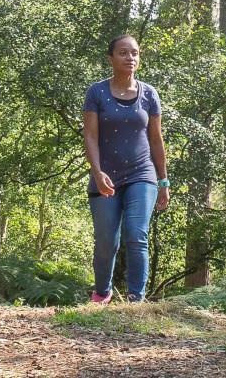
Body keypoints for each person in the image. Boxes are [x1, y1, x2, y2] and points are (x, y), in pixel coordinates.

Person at [81, 34, 170, 303]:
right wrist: (97, 172)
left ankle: (135, 298)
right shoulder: (96, 92)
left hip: (142, 174)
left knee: (136, 233)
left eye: (134, 53)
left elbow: (156, 139)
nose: (130, 58)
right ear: (111, 59)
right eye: (123, 53)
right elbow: (90, 136)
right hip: (105, 175)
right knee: (106, 241)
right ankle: (102, 292)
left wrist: (163, 181)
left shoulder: (149, 94)